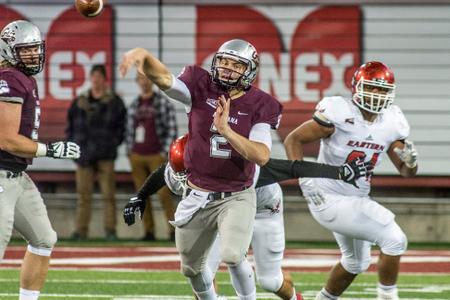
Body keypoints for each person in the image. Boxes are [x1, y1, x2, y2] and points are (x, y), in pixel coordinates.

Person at [119, 38, 283, 300]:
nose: (228, 68)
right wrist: (145, 57)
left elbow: (261, 156)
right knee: (191, 269)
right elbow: (164, 79)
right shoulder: (199, 85)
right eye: (224, 62)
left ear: (249, 70)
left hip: (236, 194)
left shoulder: (261, 104)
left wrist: (227, 130)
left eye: (236, 65)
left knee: (232, 255)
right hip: (197, 194)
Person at [123, 134, 372, 300]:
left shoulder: (239, 168)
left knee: (270, 280)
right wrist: (140, 197)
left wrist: (339, 172)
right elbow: (163, 175)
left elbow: (293, 167)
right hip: (220, 210)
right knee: (200, 270)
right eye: (183, 175)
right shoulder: (182, 171)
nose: (186, 182)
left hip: (263, 208)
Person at [284, 61, 419, 300]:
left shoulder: (392, 121)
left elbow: (406, 173)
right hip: (328, 196)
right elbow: (293, 139)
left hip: (356, 198)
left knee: (356, 262)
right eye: (372, 87)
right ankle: (387, 296)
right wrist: (305, 179)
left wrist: (410, 163)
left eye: (382, 89)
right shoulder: (340, 111)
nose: (377, 94)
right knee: (395, 239)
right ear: (357, 87)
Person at [0, 20, 81, 300]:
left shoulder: (23, 79)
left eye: (36, 48)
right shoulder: (9, 79)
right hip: (1, 172)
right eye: (26, 50)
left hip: (16, 173)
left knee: (44, 238)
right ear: (9, 50)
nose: (34, 55)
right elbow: (7, 139)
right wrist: (50, 150)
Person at [66, 64, 127, 240]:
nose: (96, 79)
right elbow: (70, 127)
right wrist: (74, 146)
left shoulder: (115, 101)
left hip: (106, 155)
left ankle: (110, 231)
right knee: (83, 196)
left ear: (104, 79)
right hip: (83, 155)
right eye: (94, 76)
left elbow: (122, 127)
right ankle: (81, 231)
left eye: (99, 76)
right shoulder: (79, 101)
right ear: (90, 78)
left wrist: (114, 143)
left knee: (109, 195)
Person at [125, 73, 177, 241]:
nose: (144, 81)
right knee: (141, 195)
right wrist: (130, 151)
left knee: (164, 195)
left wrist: (165, 152)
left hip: (156, 155)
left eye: (147, 78)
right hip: (138, 155)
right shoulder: (135, 104)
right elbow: (129, 130)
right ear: (137, 81)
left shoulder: (161, 102)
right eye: (141, 78)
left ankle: (173, 230)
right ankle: (149, 231)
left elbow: (171, 128)